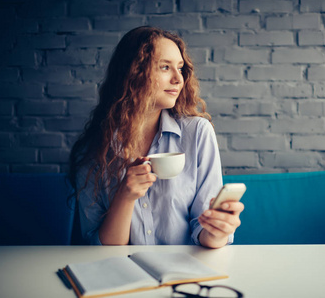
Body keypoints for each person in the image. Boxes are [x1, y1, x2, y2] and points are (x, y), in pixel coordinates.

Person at [68, 26, 244, 248]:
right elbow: (99, 247)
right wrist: (125, 196)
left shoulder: (197, 133)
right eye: (165, 67)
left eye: (180, 68)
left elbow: (203, 231)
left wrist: (218, 230)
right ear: (133, 73)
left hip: (184, 270)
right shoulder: (93, 151)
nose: (178, 79)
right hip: (122, 272)